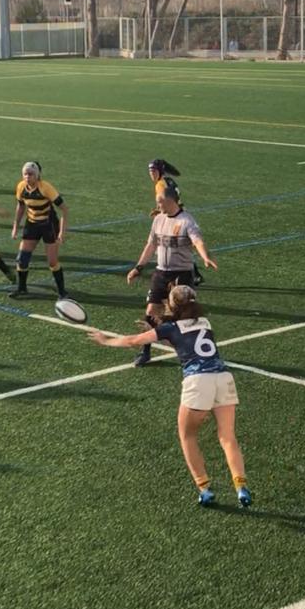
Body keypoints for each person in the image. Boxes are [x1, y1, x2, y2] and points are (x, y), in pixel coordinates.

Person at [88, 285, 250, 508]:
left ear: (172, 304)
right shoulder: (205, 323)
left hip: (198, 381)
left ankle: (204, 489)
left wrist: (105, 340)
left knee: (188, 436)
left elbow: (133, 341)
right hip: (223, 378)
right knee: (227, 437)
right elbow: (185, 339)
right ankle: (241, 487)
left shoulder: (169, 328)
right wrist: (157, 332)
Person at [126, 182, 219, 367]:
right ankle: (145, 352)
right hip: (161, 272)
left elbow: (197, 241)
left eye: (159, 201)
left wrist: (205, 257)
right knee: (151, 311)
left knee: (184, 317)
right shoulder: (158, 219)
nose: (157, 205)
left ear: (169, 200)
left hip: (182, 274)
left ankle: (197, 349)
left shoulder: (186, 221)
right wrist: (138, 267)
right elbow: (151, 245)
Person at [11, 161, 69, 298]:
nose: (27, 177)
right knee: (22, 258)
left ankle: (62, 291)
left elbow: (64, 209)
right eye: (25, 174)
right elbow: (20, 206)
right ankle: (22, 288)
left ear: (37, 175)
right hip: (32, 223)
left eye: (30, 174)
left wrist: (62, 231)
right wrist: (15, 226)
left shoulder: (45, 188)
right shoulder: (21, 187)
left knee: (52, 261)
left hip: (48, 225)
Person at [149, 158, 202, 285]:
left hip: (174, 218)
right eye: (150, 171)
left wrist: (160, 212)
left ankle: (177, 274)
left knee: (166, 246)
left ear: (160, 171)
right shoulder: (169, 180)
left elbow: (165, 200)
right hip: (180, 213)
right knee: (181, 246)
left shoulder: (160, 184)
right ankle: (195, 275)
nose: (151, 174)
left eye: (154, 171)